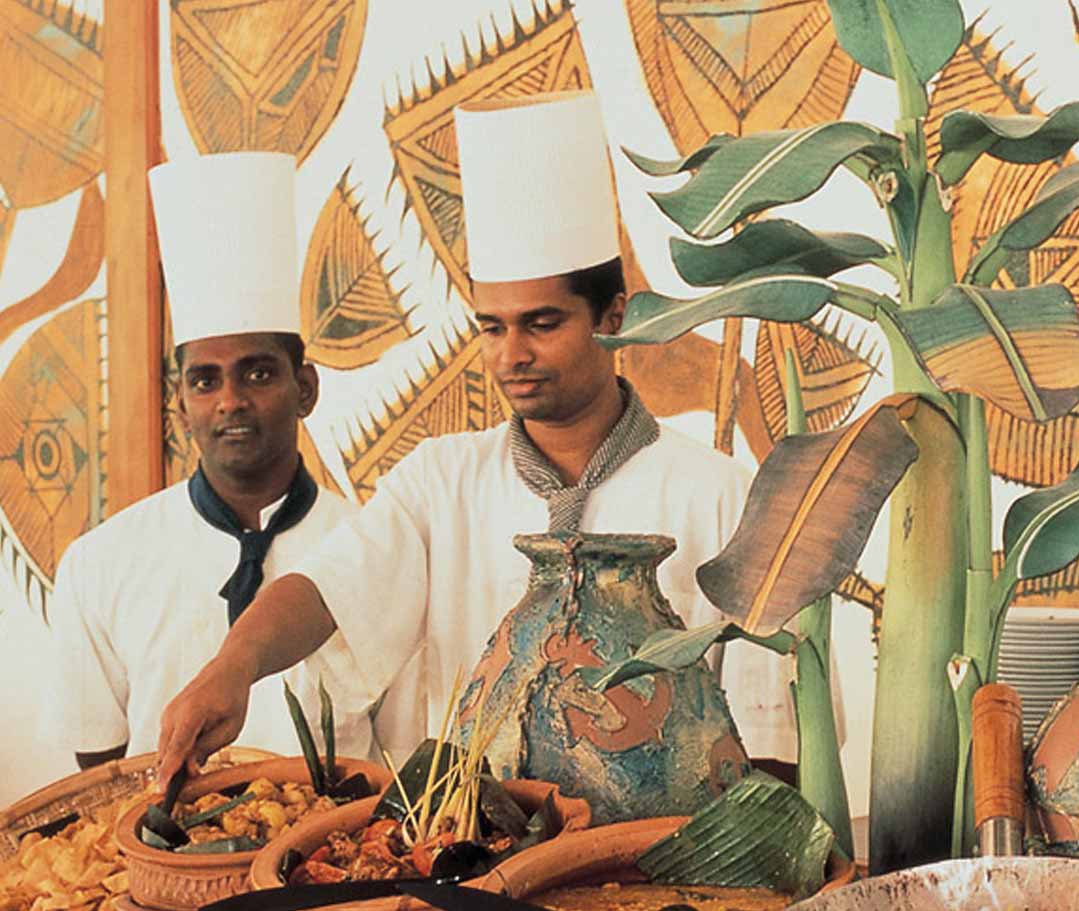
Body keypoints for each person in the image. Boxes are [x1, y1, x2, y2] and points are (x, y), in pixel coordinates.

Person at [154, 91, 794, 783]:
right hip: (469, 857)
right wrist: (234, 666)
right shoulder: (441, 482)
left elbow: (769, 747)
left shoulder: (724, 496)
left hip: (659, 864)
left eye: (541, 324)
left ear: (612, 316)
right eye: (492, 327)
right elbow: (327, 589)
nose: (509, 353)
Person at [51, 151, 424, 770]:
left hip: (333, 857)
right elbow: (97, 780)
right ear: (180, 403)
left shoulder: (372, 555)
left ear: (304, 387)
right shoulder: (101, 562)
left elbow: (399, 764)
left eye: (256, 372)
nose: (230, 400)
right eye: (204, 380)